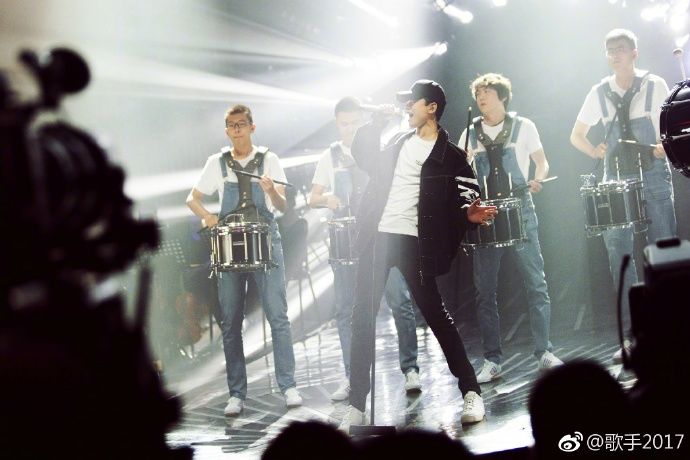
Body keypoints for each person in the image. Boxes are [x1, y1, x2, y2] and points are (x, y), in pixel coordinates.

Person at [338, 80, 498, 431]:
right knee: (361, 318)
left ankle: (471, 392)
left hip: (414, 242)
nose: (407, 106)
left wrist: (469, 215)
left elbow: (465, 200)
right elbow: (363, 156)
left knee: (437, 316)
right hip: (378, 238)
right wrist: (376, 123)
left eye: (414, 101)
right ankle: (356, 406)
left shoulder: (452, 156)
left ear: (432, 107)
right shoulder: (398, 142)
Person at [186, 104, 302, 416]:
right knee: (230, 321)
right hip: (229, 245)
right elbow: (192, 198)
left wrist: (271, 191)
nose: (236, 129)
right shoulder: (217, 162)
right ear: (227, 131)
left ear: (252, 127)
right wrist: (207, 216)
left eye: (241, 124)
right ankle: (236, 393)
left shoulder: (268, 159)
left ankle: (288, 385)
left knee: (278, 316)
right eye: (231, 125)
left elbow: (282, 206)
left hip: (265, 240)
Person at [569, 29, 676, 362]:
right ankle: (633, 336)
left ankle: (670, 332)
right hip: (615, 179)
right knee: (620, 256)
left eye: (620, 49)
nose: (615, 54)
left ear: (634, 52)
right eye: (610, 50)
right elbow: (577, 135)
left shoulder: (654, 85)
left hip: (653, 174)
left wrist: (663, 146)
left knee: (663, 251)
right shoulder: (599, 92)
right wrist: (595, 151)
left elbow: (671, 128)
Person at [309, 97, 422, 401]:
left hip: (383, 236)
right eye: (344, 124)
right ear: (337, 124)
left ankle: (410, 368)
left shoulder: (379, 150)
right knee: (347, 310)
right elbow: (313, 198)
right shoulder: (330, 156)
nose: (349, 129)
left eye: (354, 123)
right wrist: (327, 199)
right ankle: (352, 377)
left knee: (400, 300)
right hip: (347, 243)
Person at [459, 73, 563, 383]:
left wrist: (538, 179)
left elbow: (542, 162)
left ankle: (544, 351)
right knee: (484, 291)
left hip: (520, 211)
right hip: (486, 215)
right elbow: (460, 176)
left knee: (536, 282)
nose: (481, 98)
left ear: (502, 96)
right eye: (478, 93)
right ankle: (492, 359)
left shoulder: (524, 126)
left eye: (487, 92)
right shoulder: (469, 132)